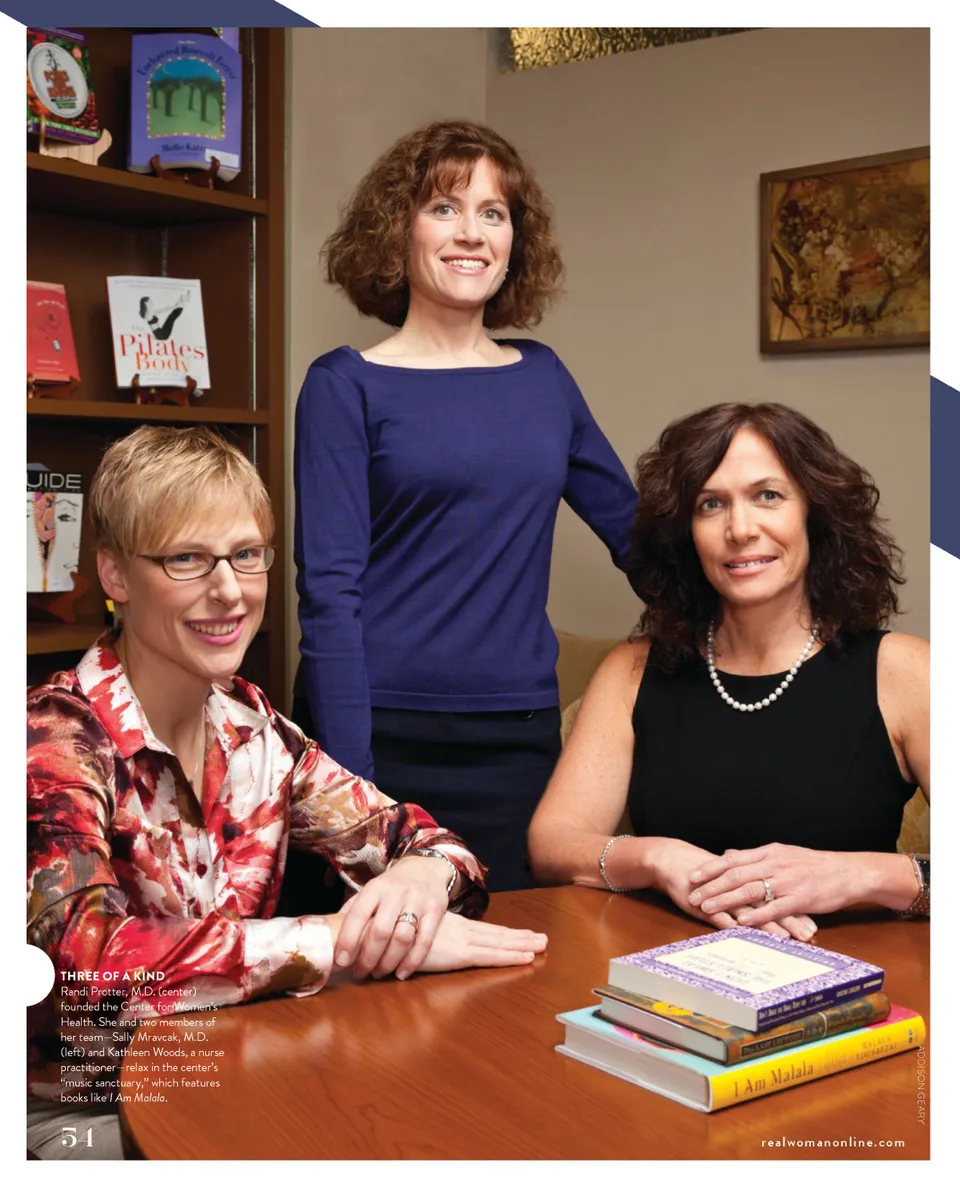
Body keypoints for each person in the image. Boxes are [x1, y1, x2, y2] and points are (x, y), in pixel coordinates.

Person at [27, 426, 547, 1160]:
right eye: (186, 558)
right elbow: (79, 971)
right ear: (115, 575)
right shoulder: (53, 738)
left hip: (233, 1064)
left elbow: (431, 844)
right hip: (76, 1109)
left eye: (246, 554)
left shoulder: (255, 728)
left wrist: (420, 878)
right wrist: (334, 943)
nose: (229, 590)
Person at [291, 119, 638, 895]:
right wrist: (355, 791)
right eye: (444, 208)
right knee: (376, 965)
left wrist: (771, 621)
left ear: (516, 239)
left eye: (494, 213)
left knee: (526, 953)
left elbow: (638, 538)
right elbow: (329, 595)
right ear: (398, 228)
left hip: (517, 743)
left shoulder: (543, 379)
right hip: (378, 734)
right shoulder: (344, 385)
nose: (471, 233)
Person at [528, 402, 929, 939]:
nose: (740, 529)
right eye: (711, 504)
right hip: (672, 965)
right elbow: (552, 844)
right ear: (685, 533)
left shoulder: (904, 671)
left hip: (864, 971)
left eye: (768, 496)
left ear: (815, 514)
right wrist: (657, 859)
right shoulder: (634, 669)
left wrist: (861, 875)